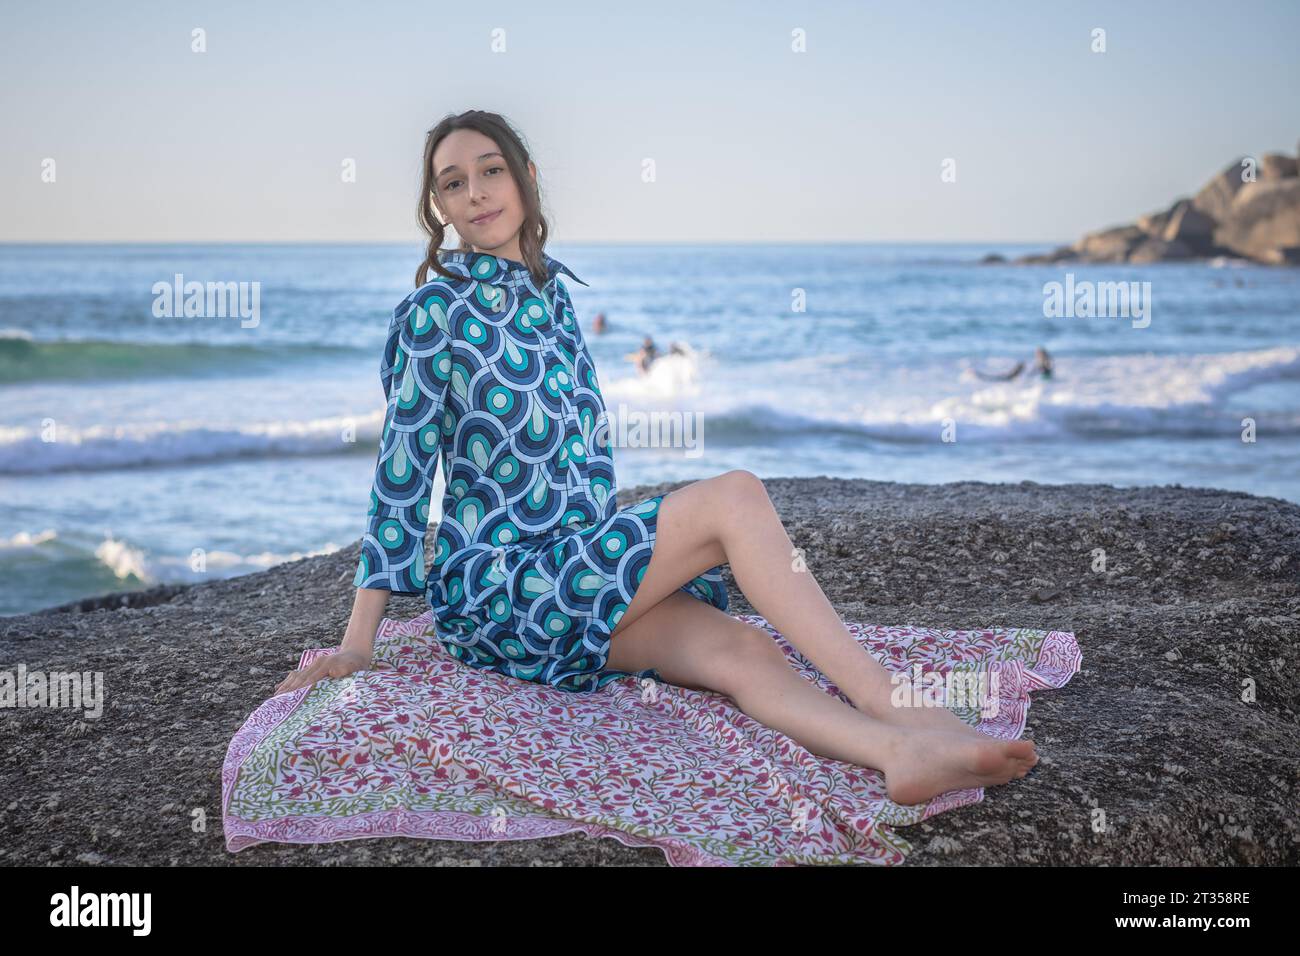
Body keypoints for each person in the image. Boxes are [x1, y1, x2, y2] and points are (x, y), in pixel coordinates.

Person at [273, 109, 1036, 807]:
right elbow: (401, 477)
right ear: (438, 208)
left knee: (737, 646)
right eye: (453, 182)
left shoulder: (554, 299)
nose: (476, 193)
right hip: (501, 592)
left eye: (491, 170)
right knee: (734, 496)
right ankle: (901, 704)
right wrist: (356, 644)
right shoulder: (432, 315)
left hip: (575, 576)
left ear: (527, 178)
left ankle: (897, 751)